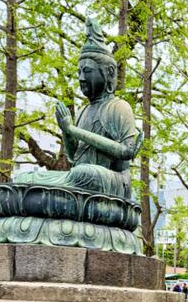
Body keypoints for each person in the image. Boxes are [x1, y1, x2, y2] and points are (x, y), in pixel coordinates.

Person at [13, 18, 143, 200]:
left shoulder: (118, 106)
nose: (81, 78)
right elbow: (74, 157)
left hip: (112, 181)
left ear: (109, 72)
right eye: (79, 72)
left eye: (87, 71)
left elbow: (127, 152)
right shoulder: (84, 111)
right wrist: (66, 131)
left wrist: (72, 130)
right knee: (24, 179)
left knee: (85, 173)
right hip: (80, 178)